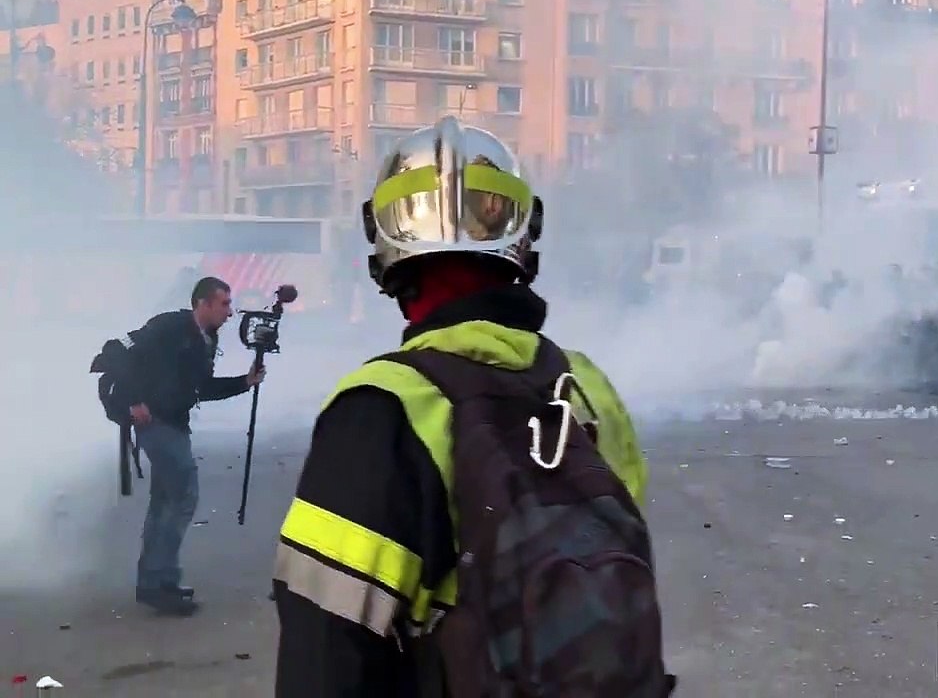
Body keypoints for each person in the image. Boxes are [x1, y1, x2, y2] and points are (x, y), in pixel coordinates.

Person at [272, 118, 668, 696]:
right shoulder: (586, 386)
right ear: (521, 240)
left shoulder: (379, 407)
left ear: (386, 255)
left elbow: (328, 645)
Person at [113, 276, 265, 616]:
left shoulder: (206, 338)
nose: (229, 312)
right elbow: (127, 359)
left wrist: (245, 382)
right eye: (224, 304)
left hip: (175, 424)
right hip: (155, 423)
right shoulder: (169, 327)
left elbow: (202, 388)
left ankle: (156, 581)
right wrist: (134, 400)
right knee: (183, 496)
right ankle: (158, 581)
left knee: (165, 501)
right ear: (203, 304)